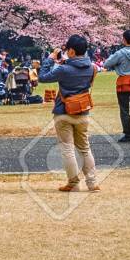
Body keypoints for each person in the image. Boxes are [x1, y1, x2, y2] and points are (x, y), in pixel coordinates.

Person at [38, 35, 100, 193]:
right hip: (83, 112)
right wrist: (64, 61)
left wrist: (51, 59)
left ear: (71, 51)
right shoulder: (92, 68)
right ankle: (92, 183)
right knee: (85, 148)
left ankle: (73, 183)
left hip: (63, 112)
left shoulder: (64, 70)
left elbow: (43, 78)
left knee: (67, 149)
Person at [102, 28, 130, 143]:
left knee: (124, 109)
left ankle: (128, 135)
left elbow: (106, 64)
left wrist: (117, 66)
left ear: (124, 40)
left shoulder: (120, 53)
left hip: (123, 85)